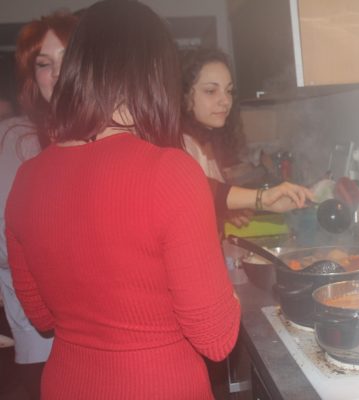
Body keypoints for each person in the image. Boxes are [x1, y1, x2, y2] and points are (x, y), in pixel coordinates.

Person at [5, 1, 240, 399]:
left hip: (67, 383)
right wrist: (229, 293)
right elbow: (215, 338)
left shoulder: (27, 179)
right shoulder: (171, 172)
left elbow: (43, 317)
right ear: (154, 74)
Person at [0, 12, 78, 400]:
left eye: (67, 59)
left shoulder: (107, 132)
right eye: (44, 65)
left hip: (105, 335)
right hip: (44, 338)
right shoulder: (16, 138)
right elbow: (5, 241)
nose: (58, 75)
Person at [180, 46, 312, 229]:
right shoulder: (179, 144)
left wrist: (225, 211)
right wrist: (261, 198)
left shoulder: (205, 140)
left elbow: (206, 202)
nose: (225, 100)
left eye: (229, 91)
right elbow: (195, 190)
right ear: (184, 95)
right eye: (211, 91)